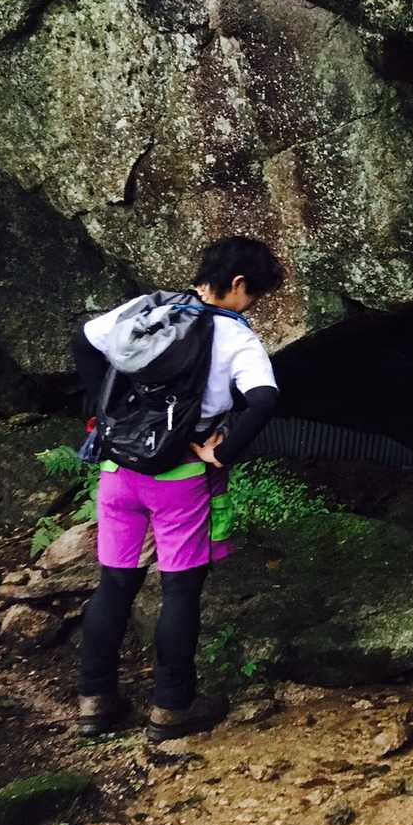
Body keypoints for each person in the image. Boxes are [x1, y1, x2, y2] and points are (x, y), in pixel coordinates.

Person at [71, 236, 285, 740]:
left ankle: (94, 701)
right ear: (237, 284)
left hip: (118, 471)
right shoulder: (236, 337)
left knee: (115, 584)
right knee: (180, 590)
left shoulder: (148, 309)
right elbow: (263, 400)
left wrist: (102, 415)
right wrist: (222, 453)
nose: (252, 305)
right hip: (180, 478)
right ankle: (171, 708)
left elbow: (84, 340)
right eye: (254, 295)